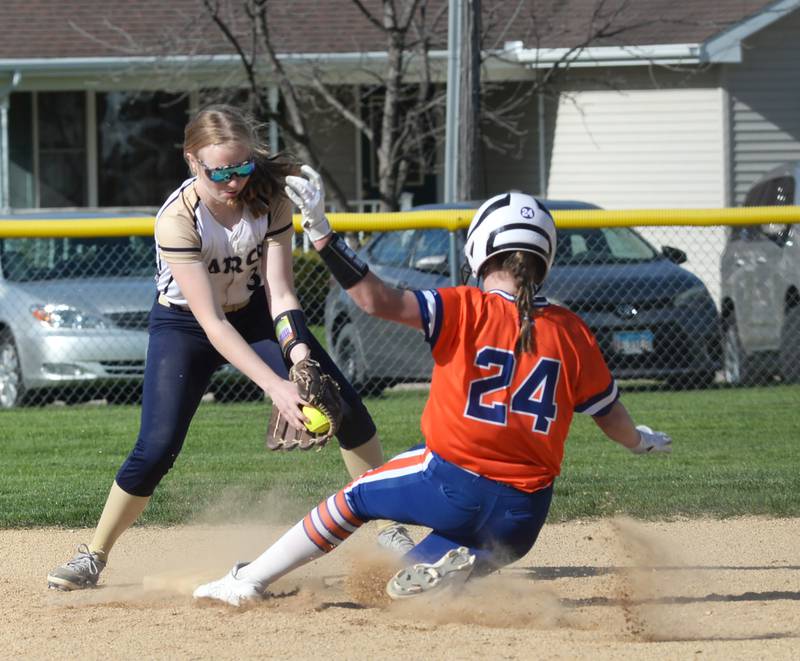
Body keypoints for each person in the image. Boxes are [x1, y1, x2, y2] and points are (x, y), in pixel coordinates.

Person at [192, 175, 673, 606]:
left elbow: (374, 299)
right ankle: (458, 567)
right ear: (545, 257)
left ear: (480, 249)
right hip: (523, 516)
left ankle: (248, 580)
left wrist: (321, 231)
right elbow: (611, 418)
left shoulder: (465, 306)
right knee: (404, 585)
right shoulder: (572, 331)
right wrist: (641, 441)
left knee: (354, 499)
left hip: (450, 480)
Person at [47, 106, 410, 592]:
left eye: (242, 168)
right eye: (220, 171)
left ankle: (390, 529)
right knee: (155, 448)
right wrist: (278, 388)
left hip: (257, 310)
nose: (234, 181)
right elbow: (212, 322)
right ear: (192, 161)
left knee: (344, 407)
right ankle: (93, 555)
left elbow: (281, 294)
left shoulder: (267, 198)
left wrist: (299, 356)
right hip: (187, 326)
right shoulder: (177, 219)